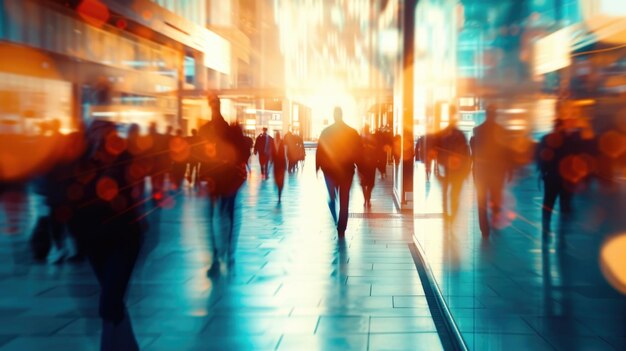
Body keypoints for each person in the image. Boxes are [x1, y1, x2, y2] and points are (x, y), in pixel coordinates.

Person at [67, 120, 143, 351]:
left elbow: (132, 195)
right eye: (97, 135)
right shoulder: (82, 166)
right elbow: (72, 201)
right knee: (113, 300)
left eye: (108, 135)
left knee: (109, 300)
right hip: (96, 241)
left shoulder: (124, 161)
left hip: (124, 239)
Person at [198, 95, 249, 276]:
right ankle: (228, 252)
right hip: (228, 180)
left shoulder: (206, 130)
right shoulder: (231, 130)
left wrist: (200, 176)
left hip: (216, 180)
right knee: (228, 215)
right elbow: (243, 152)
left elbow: (199, 155)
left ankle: (217, 256)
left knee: (213, 218)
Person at [536, 110, 587, 239]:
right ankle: (563, 231)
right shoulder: (569, 141)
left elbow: (541, 158)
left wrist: (543, 172)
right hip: (565, 178)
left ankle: (546, 227)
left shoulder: (546, 139)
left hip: (551, 177)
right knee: (565, 203)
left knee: (548, 203)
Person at [316, 106, 362, 238]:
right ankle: (342, 227)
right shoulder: (352, 132)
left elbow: (320, 150)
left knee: (332, 197)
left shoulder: (326, 132)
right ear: (342, 115)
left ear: (334, 116)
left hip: (330, 171)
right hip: (347, 171)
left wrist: (318, 167)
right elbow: (359, 151)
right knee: (344, 198)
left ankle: (334, 210)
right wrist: (361, 167)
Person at [470, 105, 510, 237]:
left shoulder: (477, 130)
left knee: (481, 200)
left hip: (482, 171)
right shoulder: (502, 131)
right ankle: (495, 219)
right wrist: (508, 170)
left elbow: (474, 153)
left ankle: (484, 228)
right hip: (497, 172)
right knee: (496, 197)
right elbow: (506, 153)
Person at [435, 105, 470, 222]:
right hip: (451, 169)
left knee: (449, 193)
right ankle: (450, 215)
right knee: (452, 193)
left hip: (450, 169)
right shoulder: (458, 135)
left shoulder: (447, 134)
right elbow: (466, 154)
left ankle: (449, 215)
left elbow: (439, 153)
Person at [359, 124, 377, 208]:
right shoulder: (361, 138)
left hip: (366, 164)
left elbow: (376, 148)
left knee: (366, 183)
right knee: (368, 183)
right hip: (367, 164)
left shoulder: (364, 138)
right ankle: (367, 199)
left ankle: (366, 199)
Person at [273, 131, 287, 203]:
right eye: (276, 135)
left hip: (281, 165)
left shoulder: (282, 142)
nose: (277, 136)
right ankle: (278, 186)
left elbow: (284, 154)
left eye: (278, 135)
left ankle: (279, 195)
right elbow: (272, 153)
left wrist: (285, 165)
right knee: (276, 179)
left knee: (281, 181)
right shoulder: (273, 142)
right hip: (276, 165)